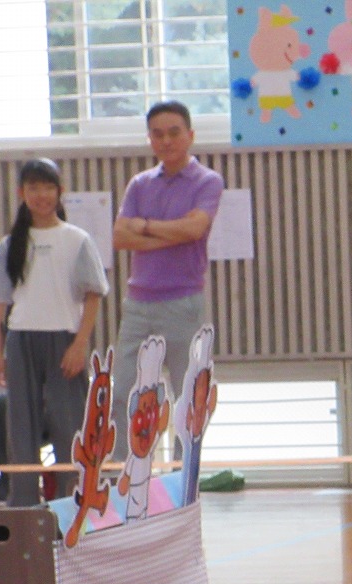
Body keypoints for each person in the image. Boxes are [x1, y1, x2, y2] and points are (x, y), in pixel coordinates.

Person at [0, 158, 108, 507]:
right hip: (21, 339)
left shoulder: (77, 240)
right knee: (20, 424)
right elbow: (1, 304)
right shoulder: (10, 245)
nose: (41, 195)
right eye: (33, 188)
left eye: (48, 188)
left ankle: (72, 500)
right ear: (21, 193)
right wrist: (0, 355)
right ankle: (23, 499)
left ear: (60, 193)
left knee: (67, 420)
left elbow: (93, 295)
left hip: (63, 341)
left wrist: (79, 343)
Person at [111, 100, 224, 457]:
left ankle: (183, 480)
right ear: (150, 140)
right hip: (138, 303)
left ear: (190, 135)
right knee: (122, 391)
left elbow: (195, 228)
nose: (166, 141)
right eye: (158, 134)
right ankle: (120, 478)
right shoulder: (140, 184)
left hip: (182, 301)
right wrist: (171, 232)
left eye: (174, 132)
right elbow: (119, 238)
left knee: (187, 394)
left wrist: (143, 226)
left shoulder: (207, 181)